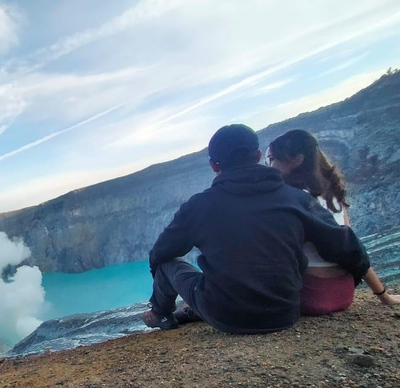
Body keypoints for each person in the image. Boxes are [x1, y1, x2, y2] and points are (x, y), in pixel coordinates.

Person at [142, 124, 370, 334]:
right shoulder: (295, 198)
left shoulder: (198, 206)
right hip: (285, 312)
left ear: (213, 165)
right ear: (259, 156)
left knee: (167, 264)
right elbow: (344, 244)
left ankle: (161, 314)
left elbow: (160, 253)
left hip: (225, 316)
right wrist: (364, 281)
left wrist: (160, 280)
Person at [266, 129, 400, 314]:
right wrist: (383, 294)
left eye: (272, 159)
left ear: (296, 160)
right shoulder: (331, 192)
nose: (268, 166)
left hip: (311, 296)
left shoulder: (296, 200)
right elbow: (350, 245)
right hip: (344, 293)